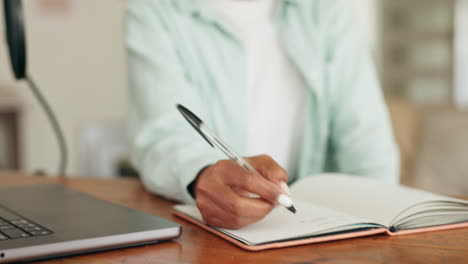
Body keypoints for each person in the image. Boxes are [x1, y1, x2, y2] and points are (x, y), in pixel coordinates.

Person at [125, 0, 400, 229]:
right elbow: (162, 135)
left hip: (316, 230)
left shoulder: (326, 9)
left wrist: (381, 221)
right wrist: (202, 173)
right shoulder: (155, 9)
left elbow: (366, 138)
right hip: (212, 233)